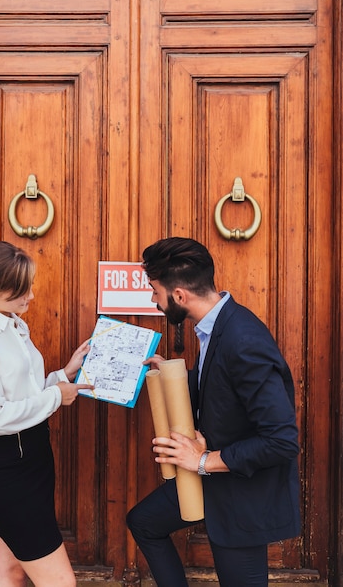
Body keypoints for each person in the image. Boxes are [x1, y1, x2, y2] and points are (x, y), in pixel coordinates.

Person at [126, 237, 300, 587]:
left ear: (179, 296)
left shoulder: (243, 339)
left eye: (155, 291)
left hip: (243, 496)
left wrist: (203, 461)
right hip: (215, 480)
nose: (153, 300)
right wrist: (172, 377)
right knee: (144, 522)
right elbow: (222, 388)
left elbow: (282, 441)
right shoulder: (215, 325)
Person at [0, 241, 94, 587]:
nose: (29, 296)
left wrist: (64, 374)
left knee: (13, 571)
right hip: (4, 470)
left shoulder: (13, 323)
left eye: (29, 285)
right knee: (61, 582)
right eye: (18, 291)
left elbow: (23, 392)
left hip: (34, 460)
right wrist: (56, 397)